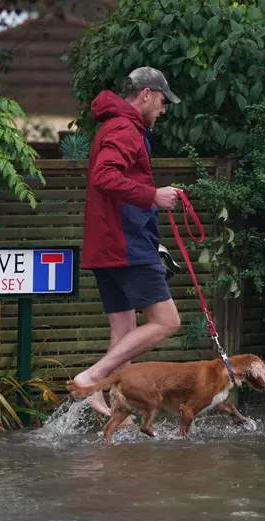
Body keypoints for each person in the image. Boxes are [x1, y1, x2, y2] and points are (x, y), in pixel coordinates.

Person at [71, 66, 182, 420]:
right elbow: (105, 177)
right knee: (166, 322)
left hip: (109, 244)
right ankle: (94, 377)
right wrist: (153, 196)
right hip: (126, 243)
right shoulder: (124, 127)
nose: (162, 110)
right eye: (162, 101)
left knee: (124, 332)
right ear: (146, 94)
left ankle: (114, 404)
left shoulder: (113, 124)